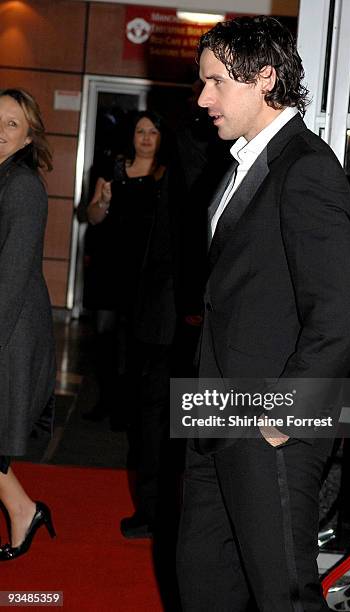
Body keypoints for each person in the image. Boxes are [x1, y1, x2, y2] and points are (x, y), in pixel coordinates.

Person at [176, 16, 350, 611]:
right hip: (215, 413)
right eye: (201, 82)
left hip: (269, 427)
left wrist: (280, 419)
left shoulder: (305, 168)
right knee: (204, 581)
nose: (202, 98)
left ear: (264, 77)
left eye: (215, 83)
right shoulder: (243, 162)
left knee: (281, 594)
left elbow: (339, 310)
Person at [86, 110, 185, 540]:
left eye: (152, 131)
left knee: (141, 356)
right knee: (108, 336)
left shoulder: (169, 175)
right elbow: (90, 216)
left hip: (150, 281)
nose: (145, 138)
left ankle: (126, 404)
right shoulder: (113, 169)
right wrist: (103, 200)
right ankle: (109, 401)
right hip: (114, 266)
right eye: (140, 131)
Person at [0, 88, 56, 560]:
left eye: (12, 124)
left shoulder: (21, 186)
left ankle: (24, 511)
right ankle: (24, 510)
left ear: (29, 135)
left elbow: (12, 276)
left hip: (11, 327)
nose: (0, 132)